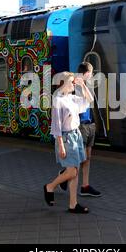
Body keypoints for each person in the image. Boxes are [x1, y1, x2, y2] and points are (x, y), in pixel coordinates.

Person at [44, 71, 94, 213]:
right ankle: (50, 187)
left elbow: (89, 100)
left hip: (76, 135)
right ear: (63, 83)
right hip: (66, 138)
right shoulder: (58, 100)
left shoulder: (70, 98)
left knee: (75, 171)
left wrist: (83, 85)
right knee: (72, 171)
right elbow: (57, 125)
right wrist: (60, 145)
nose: (73, 83)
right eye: (71, 81)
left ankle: (73, 204)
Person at [58, 62, 102, 197]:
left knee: (87, 157)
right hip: (80, 125)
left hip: (89, 124)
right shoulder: (73, 84)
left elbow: (90, 101)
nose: (92, 75)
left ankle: (85, 185)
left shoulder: (85, 84)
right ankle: (65, 175)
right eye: (91, 72)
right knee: (79, 158)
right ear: (87, 72)